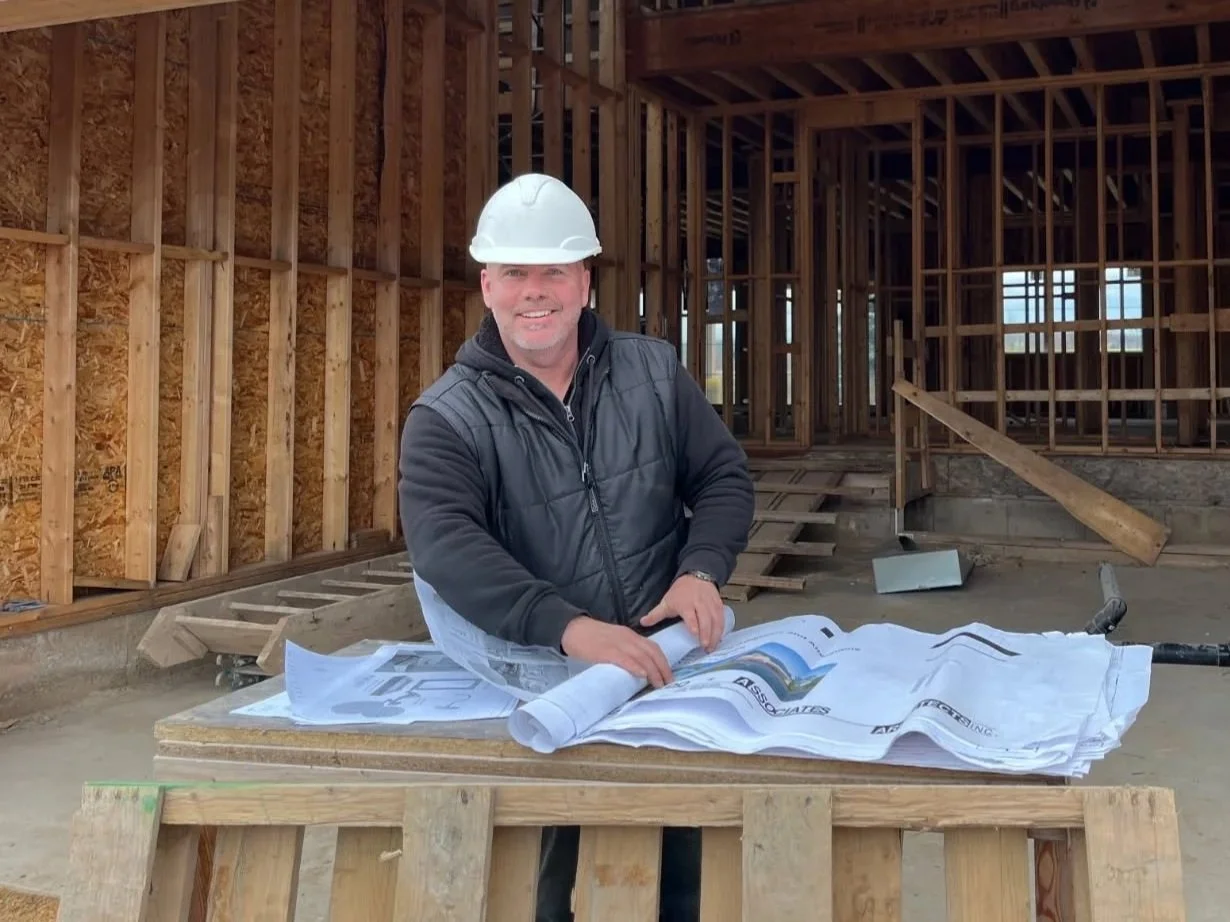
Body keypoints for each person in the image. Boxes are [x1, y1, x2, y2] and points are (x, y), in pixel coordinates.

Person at [397, 172, 755, 922]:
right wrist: (568, 629)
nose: (537, 292)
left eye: (554, 271)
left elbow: (721, 475)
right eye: (517, 273)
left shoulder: (653, 373)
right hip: (546, 672)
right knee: (561, 867)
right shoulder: (446, 419)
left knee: (687, 860)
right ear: (488, 284)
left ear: (584, 282)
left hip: (665, 658)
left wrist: (701, 570)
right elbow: (446, 547)